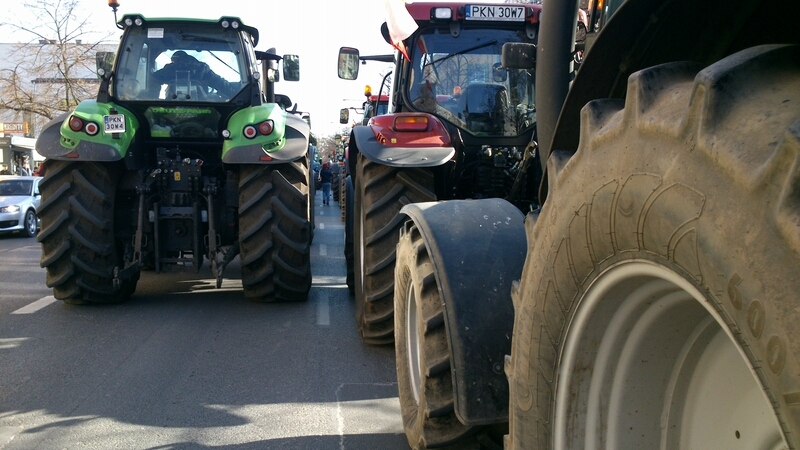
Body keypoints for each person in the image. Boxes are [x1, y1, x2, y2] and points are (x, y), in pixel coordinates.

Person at [152, 50, 231, 99]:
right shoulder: (202, 68)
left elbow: (153, 80)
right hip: (203, 105)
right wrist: (233, 93)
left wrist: (152, 98)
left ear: (174, 60)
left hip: (172, 104)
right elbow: (221, 84)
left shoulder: (170, 69)